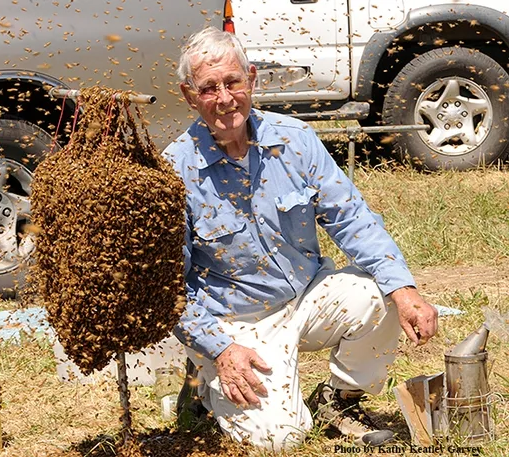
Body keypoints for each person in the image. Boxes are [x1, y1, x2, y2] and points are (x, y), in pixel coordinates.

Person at [163, 26, 438, 452]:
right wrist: (218, 348)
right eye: (208, 88)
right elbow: (168, 289)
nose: (224, 99)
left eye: (233, 82)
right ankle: (204, 385)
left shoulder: (294, 139)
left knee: (382, 292)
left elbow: (351, 219)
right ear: (188, 95)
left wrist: (406, 291)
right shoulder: (174, 172)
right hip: (236, 324)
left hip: (305, 296)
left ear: (251, 79)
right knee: (280, 438)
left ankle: (340, 402)